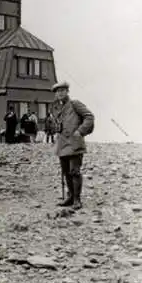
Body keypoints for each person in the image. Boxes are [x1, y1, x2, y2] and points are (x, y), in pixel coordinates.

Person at [52, 81, 94, 210]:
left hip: (75, 143)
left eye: (62, 91)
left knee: (74, 171)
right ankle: (70, 197)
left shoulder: (75, 104)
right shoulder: (57, 108)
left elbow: (89, 116)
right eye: (57, 92)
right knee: (66, 172)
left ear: (67, 91)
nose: (60, 93)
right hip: (62, 144)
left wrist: (80, 131)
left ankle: (77, 199)